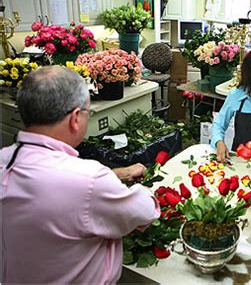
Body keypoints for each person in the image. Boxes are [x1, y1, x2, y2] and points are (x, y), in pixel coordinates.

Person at [0, 66, 160, 283]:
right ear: (75, 118)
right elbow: (144, 212)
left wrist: (115, 174)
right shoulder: (89, 179)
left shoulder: (5, 160)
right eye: (88, 112)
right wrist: (143, 190)